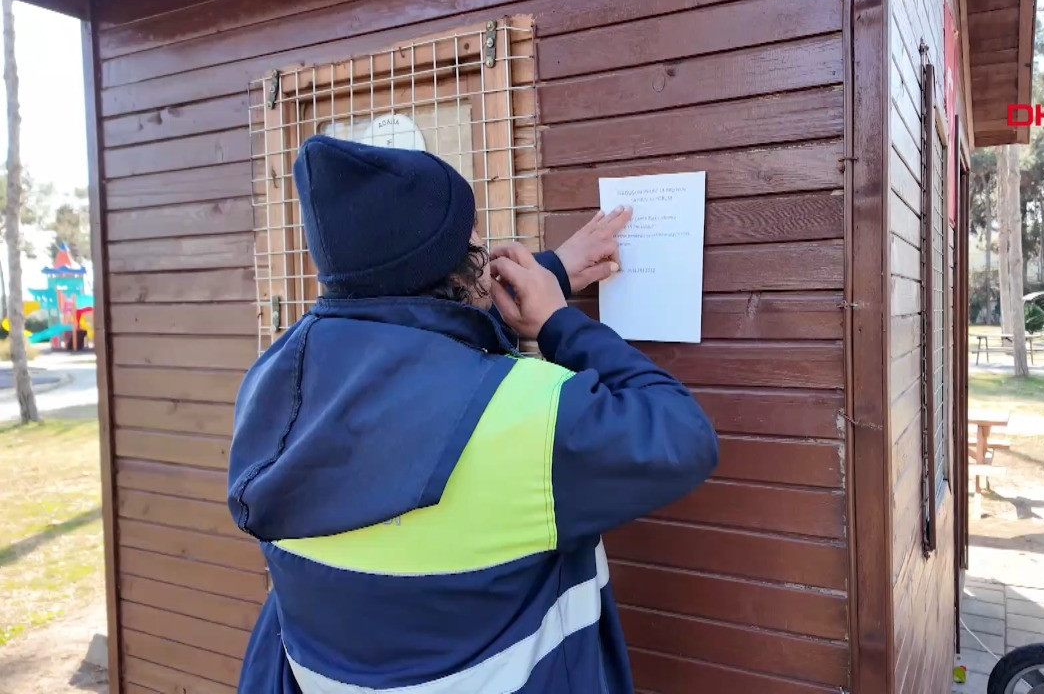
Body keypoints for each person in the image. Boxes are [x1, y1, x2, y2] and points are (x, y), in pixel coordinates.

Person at [226, 135, 718, 694]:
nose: (487, 244)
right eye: (474, 233)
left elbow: (404, 354)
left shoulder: (272, 390)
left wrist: (549, 272)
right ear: (458, 268)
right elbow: (681, 432)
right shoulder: (526, 419)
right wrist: (558, 322)